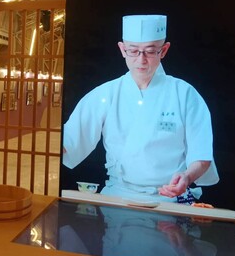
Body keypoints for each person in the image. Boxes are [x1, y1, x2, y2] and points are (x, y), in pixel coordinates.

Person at [62, 14, 219, 204]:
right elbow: (69, 143)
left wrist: (186, 177)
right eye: (133, 51)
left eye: (150, 51)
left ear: (164, 50)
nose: (141, 59)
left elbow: (201, 156)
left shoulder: (185, 94)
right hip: (118, 195)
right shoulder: (105, 94)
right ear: (122, 49)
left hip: (169, 197)